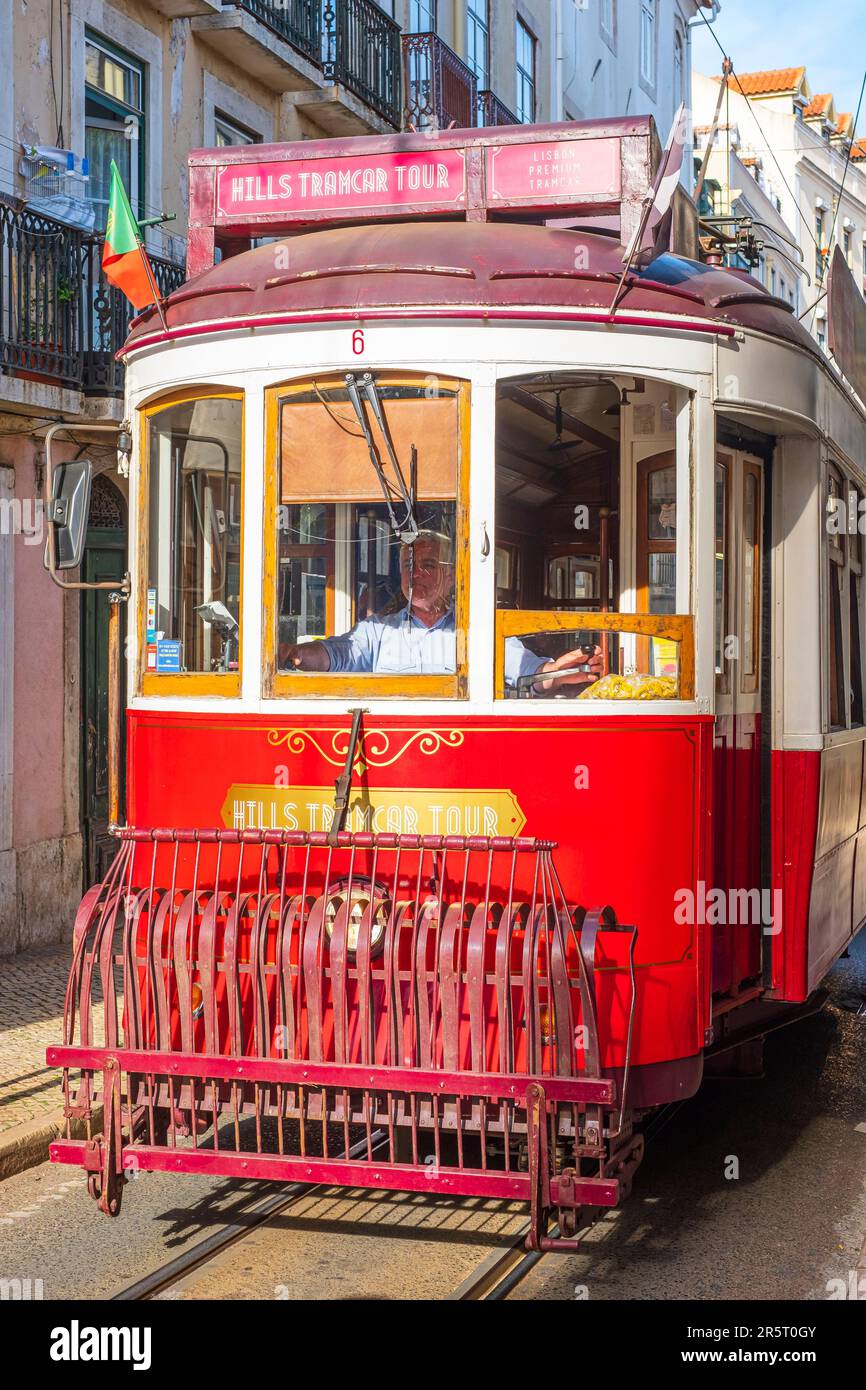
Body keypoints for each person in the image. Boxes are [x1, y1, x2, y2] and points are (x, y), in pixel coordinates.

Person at [281, 530, 602, 693]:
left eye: (428, 566)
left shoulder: (476, 633)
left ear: (450, 576)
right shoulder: (377, 631)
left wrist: (557, 673)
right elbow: (340, 654)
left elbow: (525, 671)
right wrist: (296, 654)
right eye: (408, 566)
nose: (415, 574)